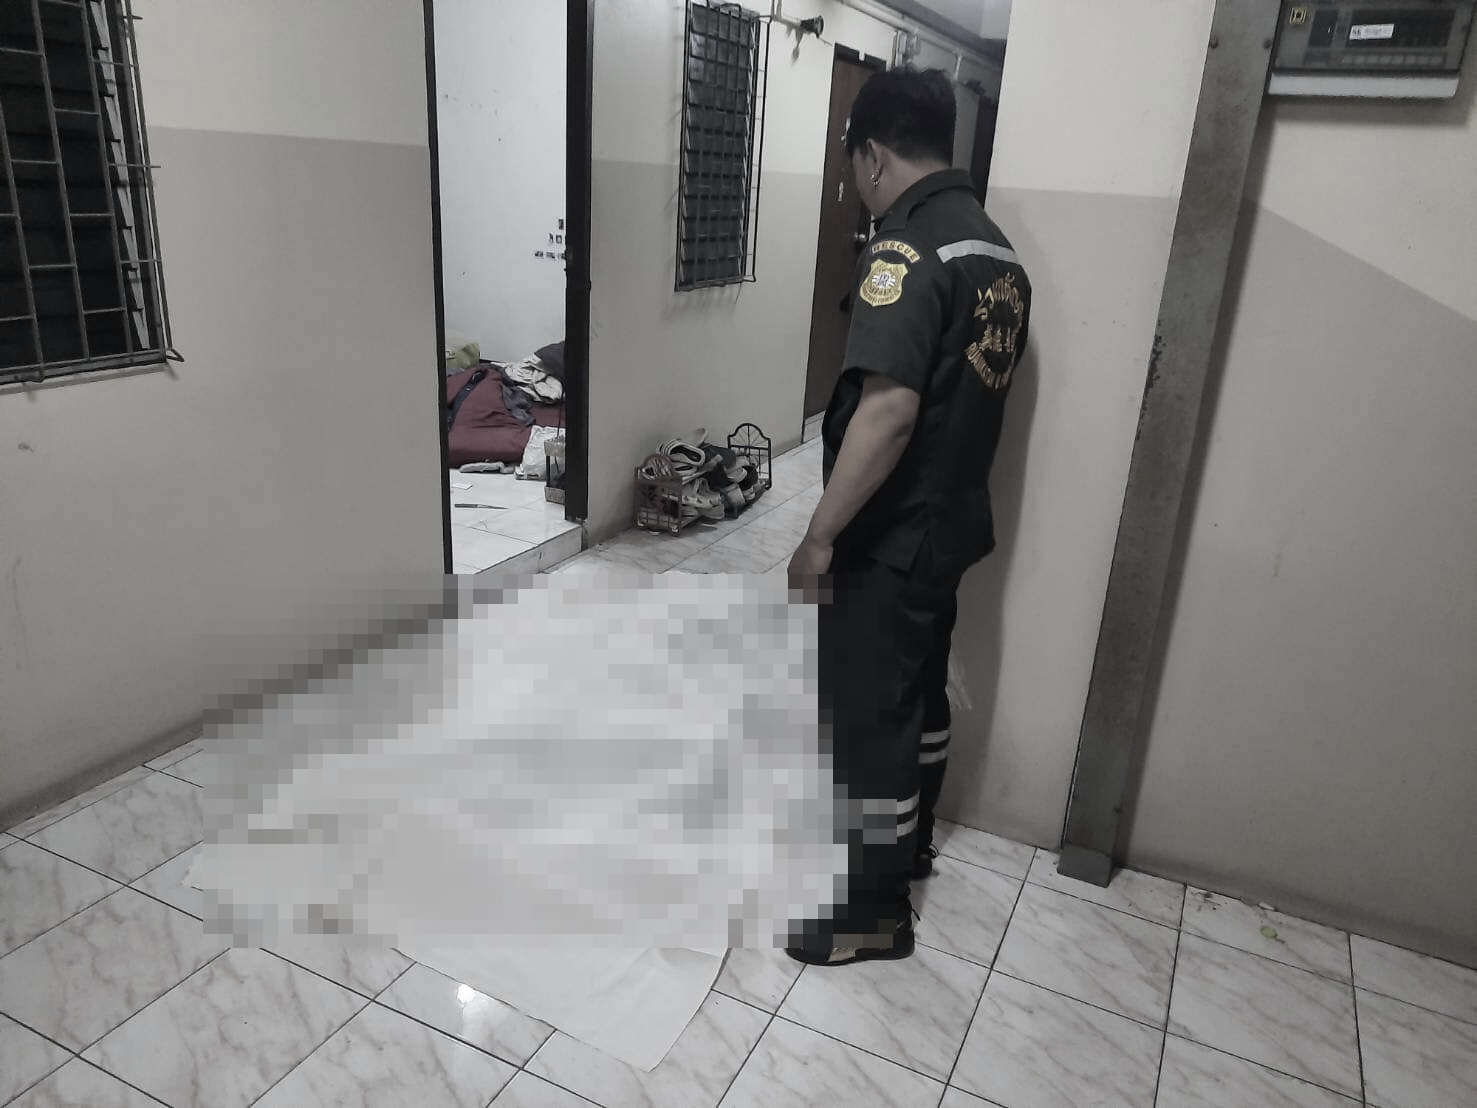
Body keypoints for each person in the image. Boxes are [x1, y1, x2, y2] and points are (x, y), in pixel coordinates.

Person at [786, 67, 1031, 966]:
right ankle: (912, 840)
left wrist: (819, 537)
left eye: (854, 164)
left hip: (890, 535)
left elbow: (887, 412)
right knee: (919, 695)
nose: (857, 182)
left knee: (871, 715)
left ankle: (872, 911)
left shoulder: (906, 250)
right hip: (949, 522)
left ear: (874, 155)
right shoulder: (994, 249)